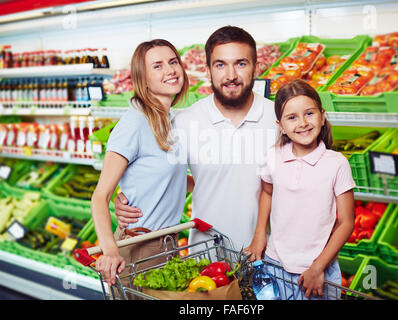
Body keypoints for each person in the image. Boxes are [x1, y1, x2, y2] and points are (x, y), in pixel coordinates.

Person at [114, 26, 278, 252]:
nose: (231, 75)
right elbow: (157, 171)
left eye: (241, 63)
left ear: (256, 68)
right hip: (205, 253)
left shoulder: (279, 119)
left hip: (269, 253)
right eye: (220, 65)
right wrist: (126, 198)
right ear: (208, 70)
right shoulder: (184, 122)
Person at [91, 39, 191, 287]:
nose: (170, 70)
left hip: (166, 243)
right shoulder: (134, 123)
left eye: (173, 62)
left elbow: (173, 180)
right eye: (157, 66)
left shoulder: (170, 120)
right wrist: (110, 249)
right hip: (140, 248)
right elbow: (99, 196)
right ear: (143, 78)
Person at [244, 79, 355, 300]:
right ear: (281, 126)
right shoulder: (272, 156)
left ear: (322, 116)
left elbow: (347, 222)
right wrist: (259, 236)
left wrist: (318, 267)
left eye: (309, 114)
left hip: (317, 268)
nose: (302, 123)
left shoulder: (337, 163)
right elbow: (267, 192)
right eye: (292, 117)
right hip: (275, 263)